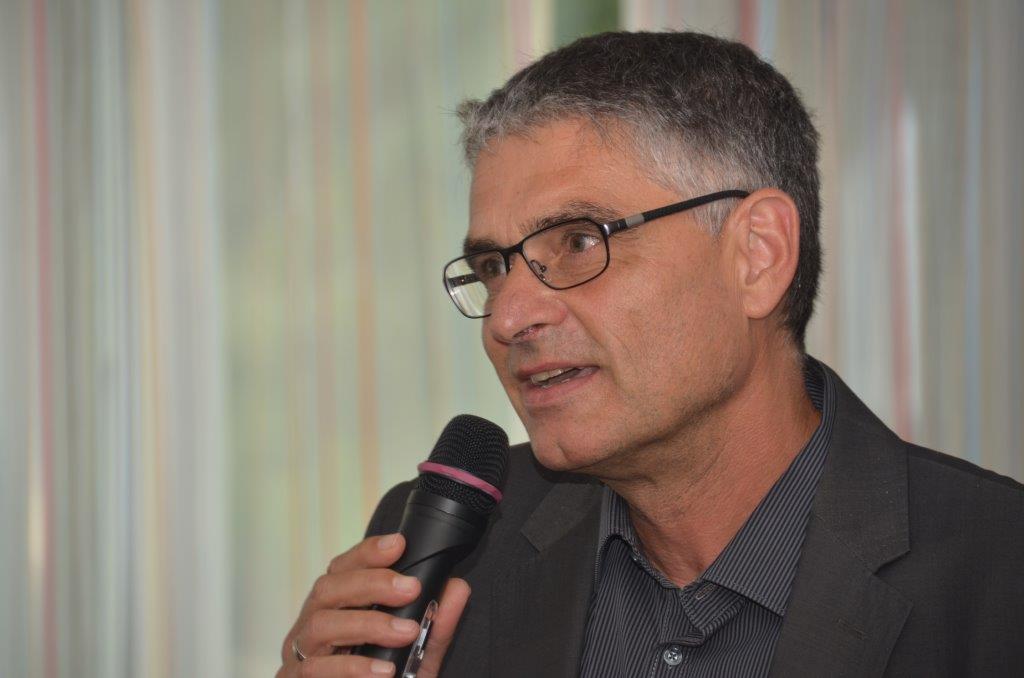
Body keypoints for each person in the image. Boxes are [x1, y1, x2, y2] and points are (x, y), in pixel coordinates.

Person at [277, 31, 1024, 678]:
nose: (507, 317)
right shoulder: (447, 553)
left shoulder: (999, 573)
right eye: (494, 266)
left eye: (578, 241)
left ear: (758, 255)